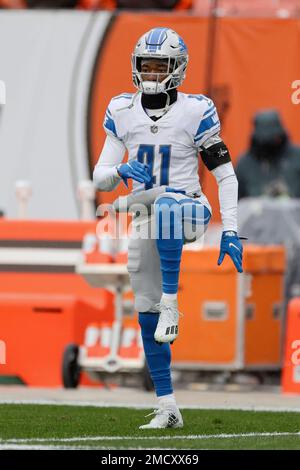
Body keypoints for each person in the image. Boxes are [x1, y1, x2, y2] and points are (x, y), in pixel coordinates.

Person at [93, 27, 243, 429]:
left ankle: (173, 302)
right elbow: (100, 176)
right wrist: (120, 169)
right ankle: (168, 406)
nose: (153, 73)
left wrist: (230, 229)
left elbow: (226, 176)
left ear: (178, 68)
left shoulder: (195, 110)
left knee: (167, 204)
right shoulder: (123, 109)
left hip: (189, 207)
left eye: (161, 66)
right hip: (147, 215)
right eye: (147, 65)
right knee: (144, 306)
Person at [235, 110, 300, 199]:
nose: (268, 144)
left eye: (274, 139)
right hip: (256, 211)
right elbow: (237, 202)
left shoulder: (297, 157)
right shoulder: (245, 164)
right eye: (264, 141)